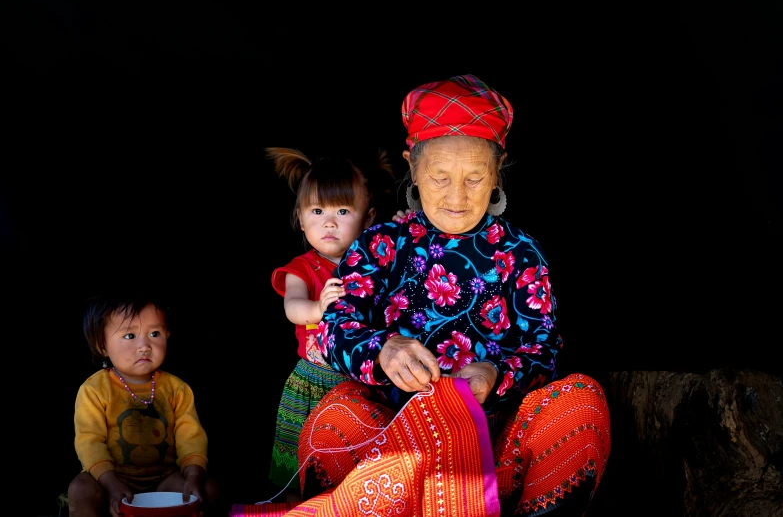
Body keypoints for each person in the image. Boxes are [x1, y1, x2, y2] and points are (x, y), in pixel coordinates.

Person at [232, 74, 612, 517]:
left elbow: (543, 347)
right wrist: (384, 350)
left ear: (499, 169)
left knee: (581, 400)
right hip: (392, 452)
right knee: (334, 416)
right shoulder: (381, 244)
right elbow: (334, 329)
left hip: (496, 451)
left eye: (474, 178)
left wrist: (493, 373)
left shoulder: (520, 252)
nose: (456, 197)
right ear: (412, 165)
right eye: (439, 177)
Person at [265, 147, 395, 503]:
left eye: (342, 211)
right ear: (300, 217)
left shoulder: (375, 260)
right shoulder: (303, 267)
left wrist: (402, 229)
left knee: (351, 473)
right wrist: (318, 307)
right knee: (299, 472)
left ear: (367, 218)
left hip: (359, 386)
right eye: (318, 211)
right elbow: (293, 308)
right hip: (312, 382)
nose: (330, 222)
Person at [67, 293, 219, 517]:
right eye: (130, 335)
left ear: (167, 335)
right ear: (102, 345)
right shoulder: (94, 390)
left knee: (209, 489)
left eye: (154, 334)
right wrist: (111, 484)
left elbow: (191, 437)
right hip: (111, 478)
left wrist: (193, 476)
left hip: (164, 480)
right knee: (80, 489)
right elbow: (89, 443)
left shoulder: (176, 388)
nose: (145, 346)